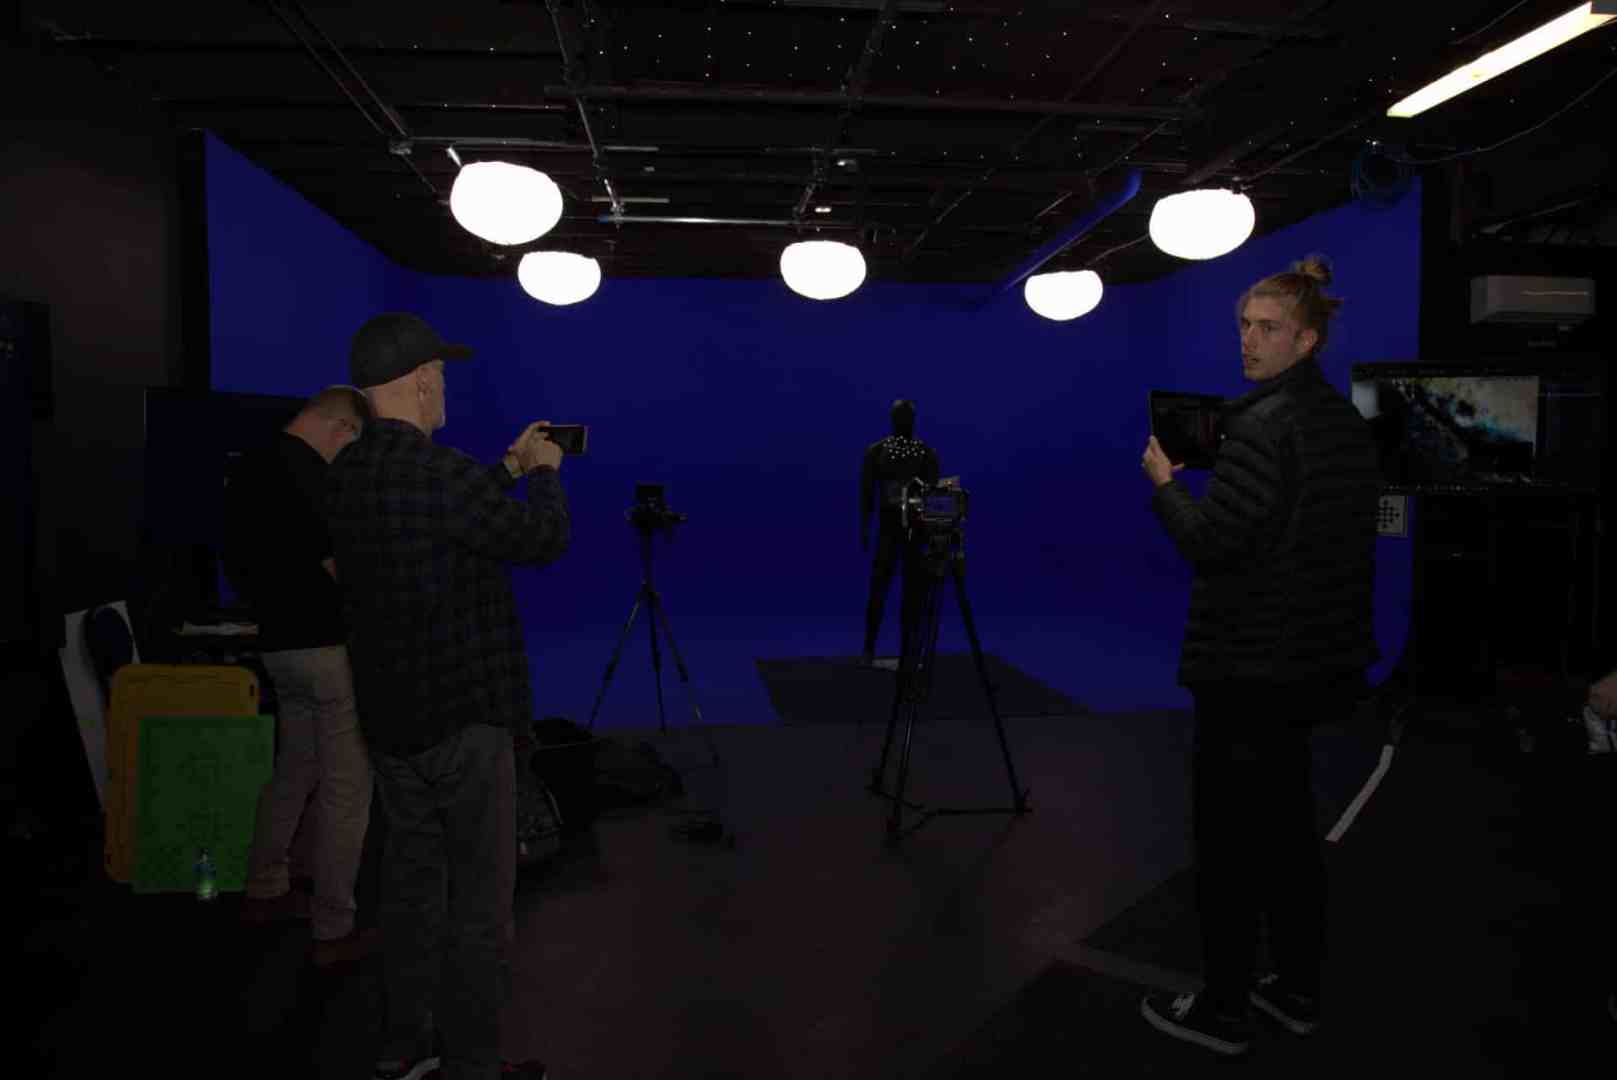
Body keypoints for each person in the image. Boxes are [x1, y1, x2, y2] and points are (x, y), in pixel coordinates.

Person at [1137, 256, 1381, 1057]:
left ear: (1305, 339)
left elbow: (1211, 544)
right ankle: (1298, 989)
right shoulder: (1342, 422)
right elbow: (1304, 538)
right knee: (1286, 834)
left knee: (1231, 846)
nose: (1248, 339)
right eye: (1243, 323)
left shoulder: (1258, 425)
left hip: (1247, 669)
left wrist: (1167, 484)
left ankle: (1223, 1008)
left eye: (1267, 326)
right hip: (1313, 665)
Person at [326, 312, 567, 1080]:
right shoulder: (442, 474)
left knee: (411, 894)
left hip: (392, 723)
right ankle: (473, 1064)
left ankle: (409, 1045)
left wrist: (502, 467)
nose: (445, 388)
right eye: (442, 376)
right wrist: (546, 473)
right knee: (480, 907)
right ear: (424, 380)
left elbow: (446, 523)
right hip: (466, 721)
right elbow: (538, 543)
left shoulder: (347, 474)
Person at [225, 385, 378, 970]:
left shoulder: (249, 468)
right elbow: (341, 569)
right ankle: (334, 925)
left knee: (293, 770)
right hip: (325, 647)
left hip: (276, 646)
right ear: (341, 428)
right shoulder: (310, 476)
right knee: (347, 788)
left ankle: (265, 886)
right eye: (353, 444)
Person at [859, 399, 940, 666]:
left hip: (915, 530)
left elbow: (933, 498)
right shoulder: (877, 451)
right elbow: (867, 493)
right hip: (888, 527)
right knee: (879, 588)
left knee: (913, 593)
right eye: (900, 415)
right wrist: (864, 526)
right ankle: (869, 650)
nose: (904, 420)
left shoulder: (925, 453)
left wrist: (932, 533)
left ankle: (909, 651)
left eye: (907, 416)